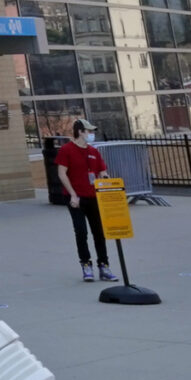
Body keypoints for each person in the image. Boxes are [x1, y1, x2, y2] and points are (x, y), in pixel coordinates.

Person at [53, 117, 116, 282]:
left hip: (94, 197)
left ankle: (104, 265)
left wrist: (106, 180)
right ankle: (86, 264)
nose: (91, 134)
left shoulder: (94, 152)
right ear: (80, 132)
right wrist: (73, 194)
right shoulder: (67, 150)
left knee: (99, 232)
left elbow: (102, 171)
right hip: (76, 198)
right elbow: (62, 173)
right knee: (81, 232)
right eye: (88, 131)